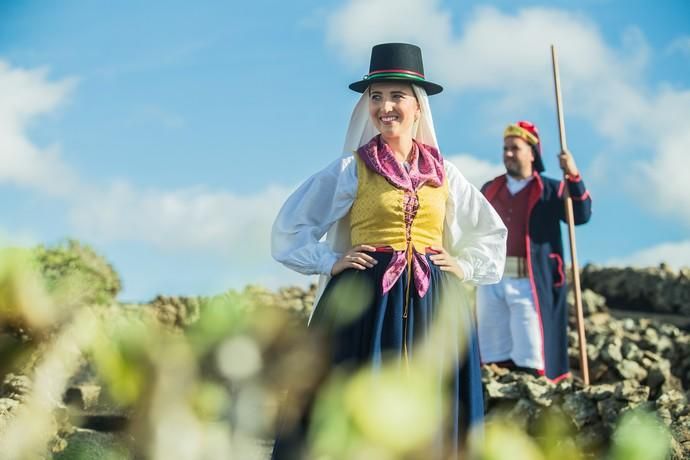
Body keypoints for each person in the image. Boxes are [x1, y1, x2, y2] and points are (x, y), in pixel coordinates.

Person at [270, 43, 507, 458]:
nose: (385, 107)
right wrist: (330, 260)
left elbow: (490, 232)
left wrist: (464, 266)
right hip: (365, 303)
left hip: (433, 302)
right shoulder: (351, 169)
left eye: (396, 96)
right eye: (376, 97)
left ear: (418, 106)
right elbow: (291, 229)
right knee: (354, 397)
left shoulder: (444, 173)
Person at [476, 120, 592, 382]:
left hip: (530, 281)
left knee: (531, 352)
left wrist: (573, 176)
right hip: (492, 280)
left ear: (532, 152)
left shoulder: (552, 190)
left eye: (514, 148)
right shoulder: (490, 188)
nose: (507, 154)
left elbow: (582, 214)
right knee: (492, 348)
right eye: (505, 148)